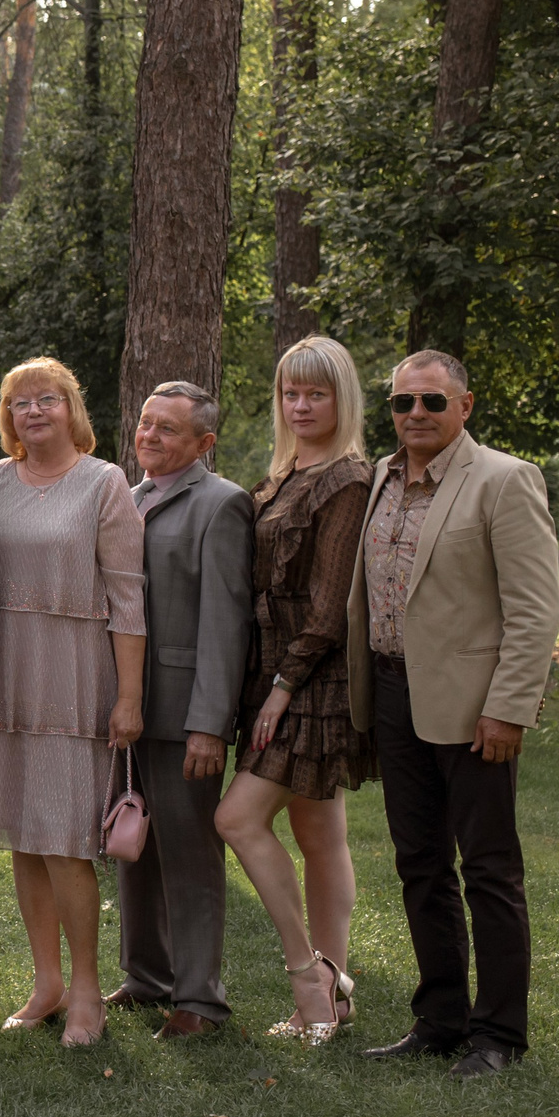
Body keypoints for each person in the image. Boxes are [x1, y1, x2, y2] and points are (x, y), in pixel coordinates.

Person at [348, 350, 559, 1079]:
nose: (415, 414)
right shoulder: (380, 476)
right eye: (403, 402)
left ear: (464, 406)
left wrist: (508, 709)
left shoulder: (504, 479)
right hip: (394, 697)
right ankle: (438, 1019)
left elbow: (535, 610)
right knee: (420, 865)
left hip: (475, 711)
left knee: (490, 870)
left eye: (432, 401)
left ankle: (498, 1032)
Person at [0, 358, 146, 1048]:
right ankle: (46, 982)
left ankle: (89, 992)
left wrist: (128, 695)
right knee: (24, 840)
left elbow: (130, 597)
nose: (32, 411)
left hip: (73, 677)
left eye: (46, 399)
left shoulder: (104, 483)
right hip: (3, 671)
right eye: (18, 403)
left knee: (68, 842)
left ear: (71, 406)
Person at [215, 334, 376, 1046]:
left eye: (317, 392)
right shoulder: (282, 474)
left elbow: (331, 601)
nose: (302, 404)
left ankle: (306, 976)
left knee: (237, 819)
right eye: (291, 392)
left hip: (313, 678)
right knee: (318, 830)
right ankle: (337, 984)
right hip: (270, 676)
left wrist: (283, 685)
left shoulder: (346, 478)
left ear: (342, 399)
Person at [110, 381, 254, 1042]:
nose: (151, 436)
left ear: (204, 442)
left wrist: (209, 724)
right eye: (146, 423)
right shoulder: (127, 498)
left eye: (169, 428)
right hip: (123, 709)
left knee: (191, 857)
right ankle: (146, 976)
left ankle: (199, 998)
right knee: (131, 845)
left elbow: (226, 624)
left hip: (182, 711)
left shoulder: (221, 505)